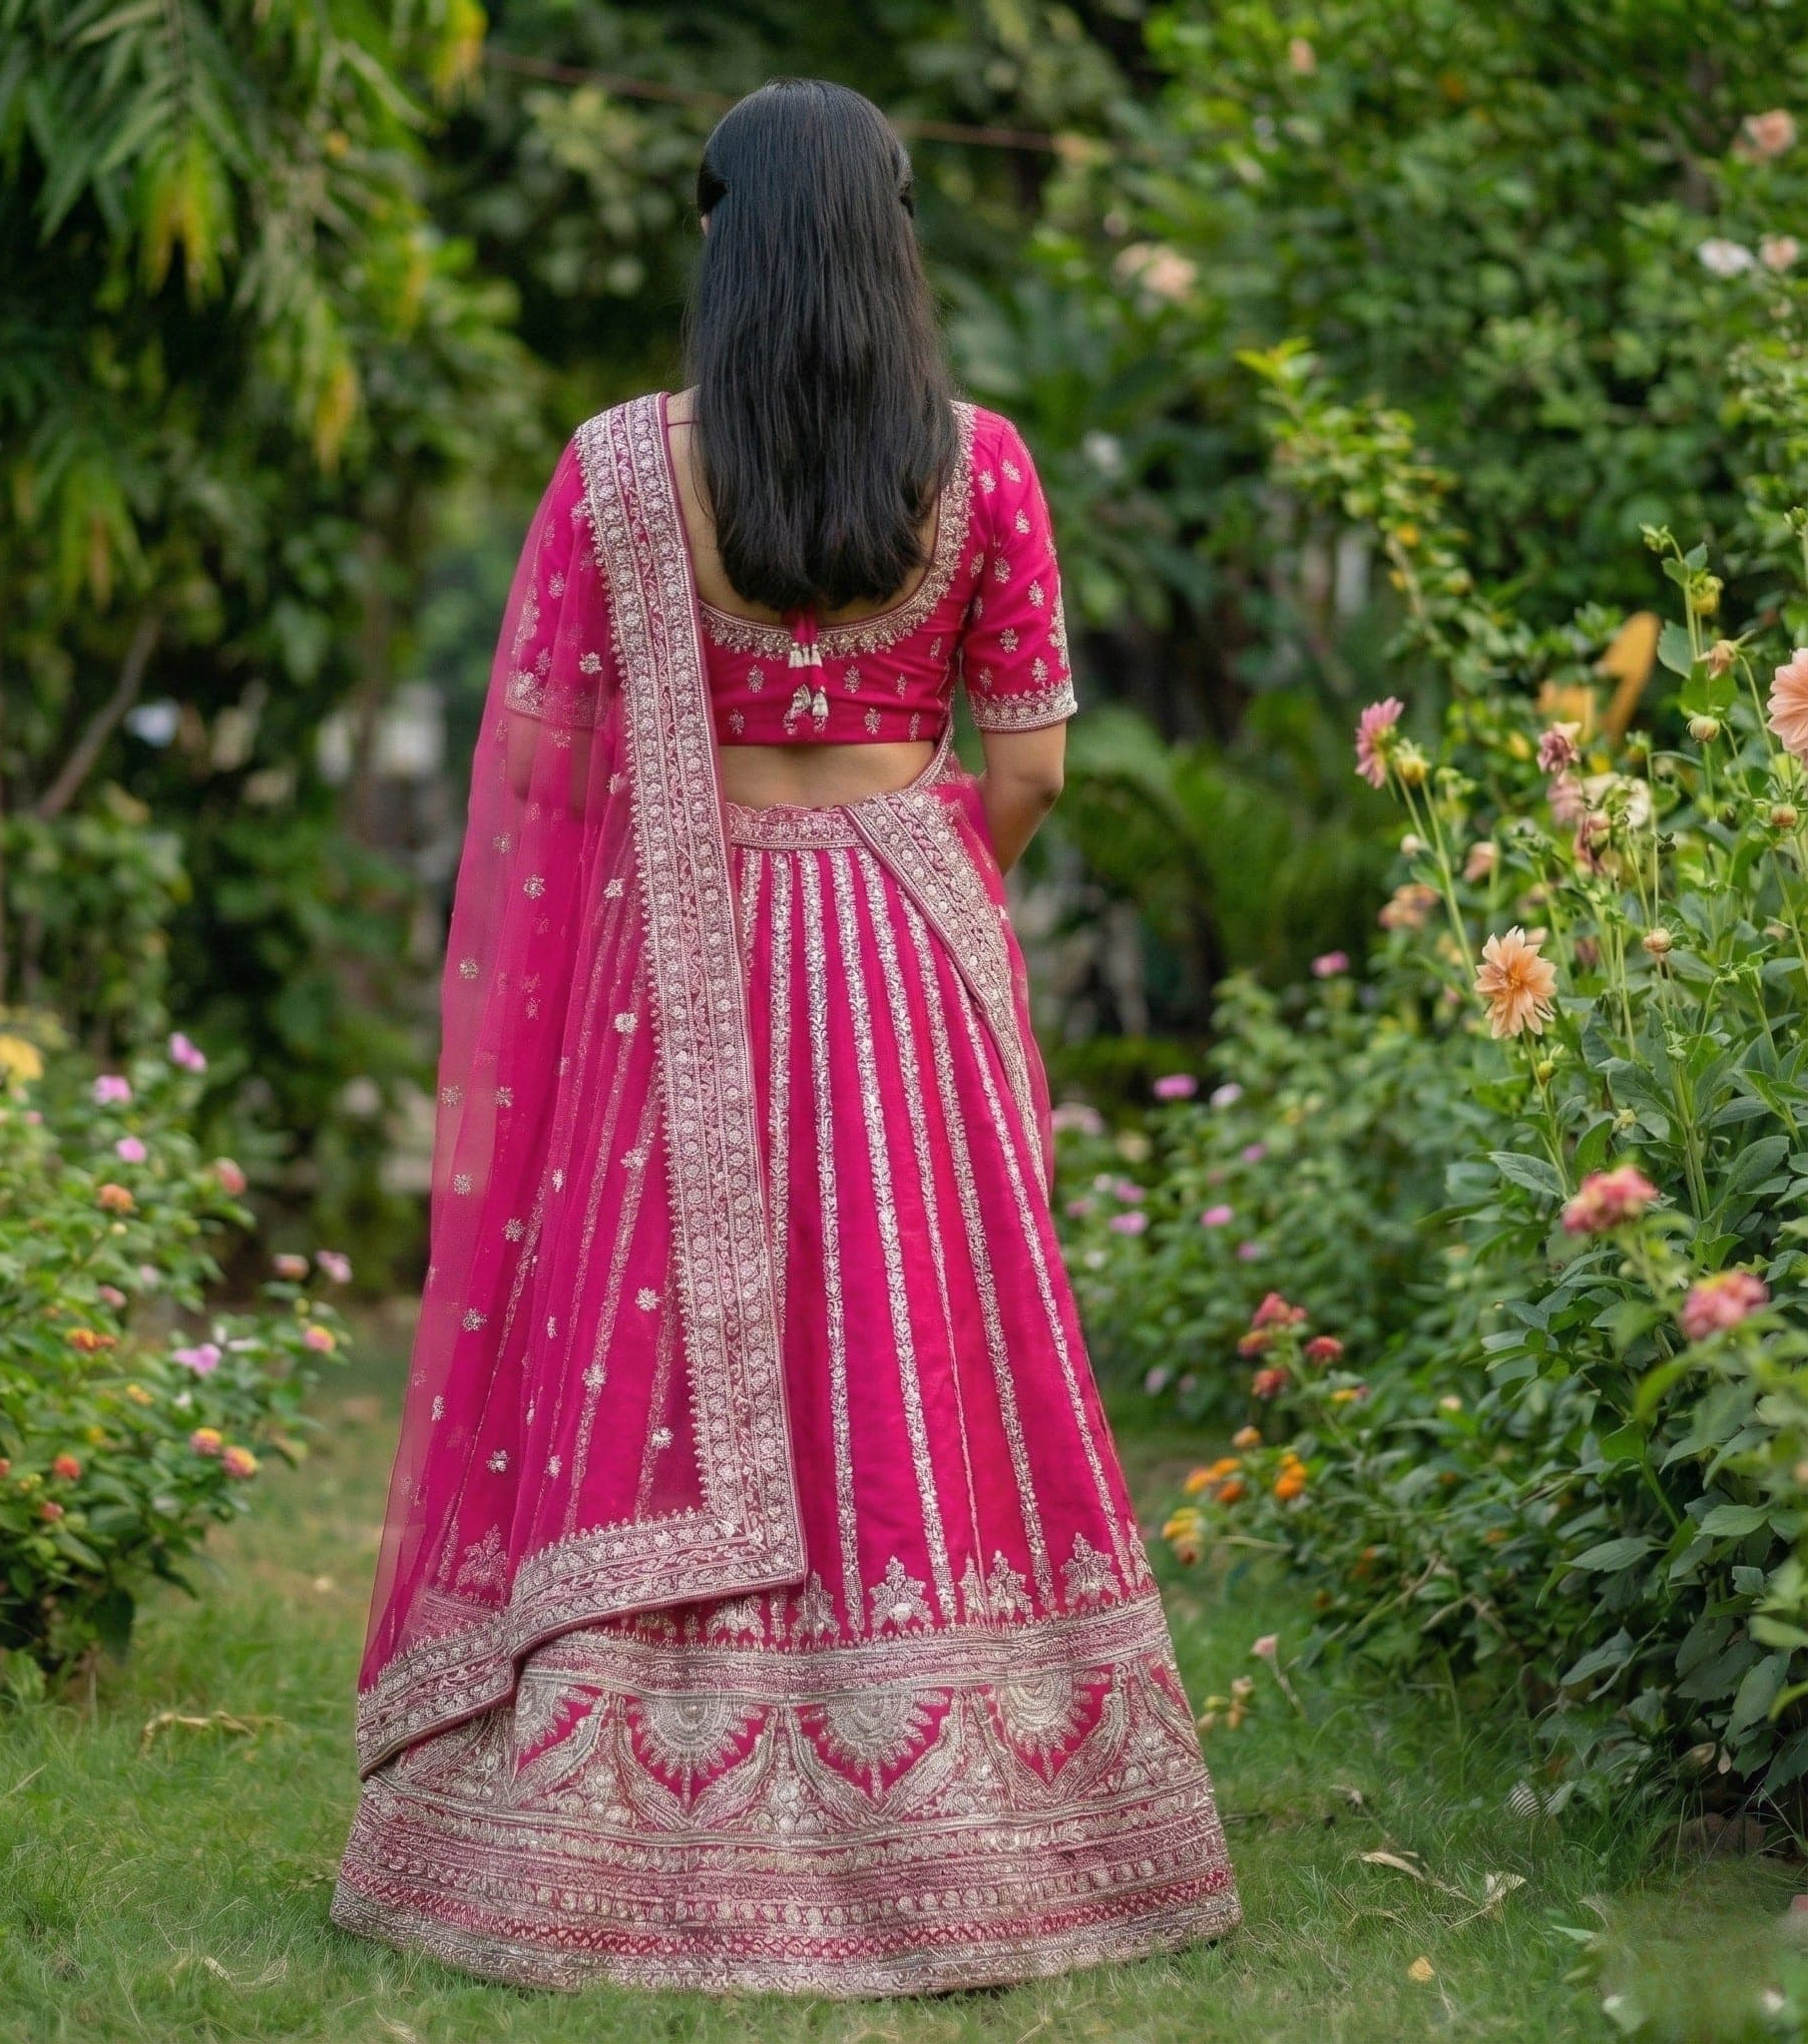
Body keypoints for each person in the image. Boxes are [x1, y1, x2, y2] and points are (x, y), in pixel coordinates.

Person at [332, 76, 1236, 1994]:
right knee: (917, 1337)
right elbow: (1038, 763)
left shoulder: (619, 470)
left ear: (720, 238)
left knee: (647, 1337)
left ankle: (605, 1804)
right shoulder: (982, 463)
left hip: (691, 944)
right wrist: (907, 859)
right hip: (911, 935)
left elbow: (553, 777)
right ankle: (979, 1810)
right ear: (899, 234)